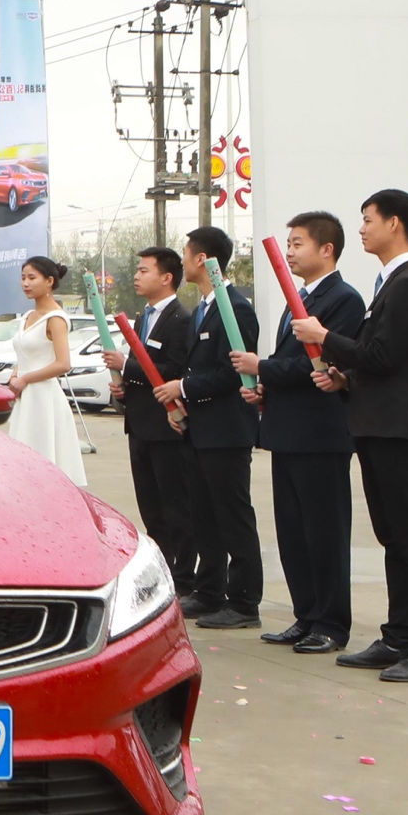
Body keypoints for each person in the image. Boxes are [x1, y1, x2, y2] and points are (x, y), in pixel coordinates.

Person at [292, 189, 408, 683]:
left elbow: (383, 356)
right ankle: (399, 636)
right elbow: (382, 362)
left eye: (368, 219)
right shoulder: (391, 283)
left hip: (399, 428)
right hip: (378, 424)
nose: (361, 229)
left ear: (394, 224)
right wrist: (345, 380)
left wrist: (324, 338)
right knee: (393, 537)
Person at [234, 211, 366, 654]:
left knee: (324, 532)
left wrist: (262, 367)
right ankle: (306, 615)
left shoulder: (343, 300)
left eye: (298, 244)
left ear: (326, 249)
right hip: (287, 431)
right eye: (288, 244)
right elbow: (292, 365)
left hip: (320, 435)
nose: (289, 252)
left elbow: (323, 367)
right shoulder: (300, 298)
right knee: (294, 532)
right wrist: (265, 388)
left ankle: (331, 623)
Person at [161, 226, 262, 628]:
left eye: (186, 253)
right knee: (203, 515)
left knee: (232, 516)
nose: (182, 260)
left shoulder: (235, 308)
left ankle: (244, 602)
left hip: (226, 431)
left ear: (202, 259)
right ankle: (209, 591)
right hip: (198, 429)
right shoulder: (202, 308)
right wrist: (182, 403)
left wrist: (183, 387)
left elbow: (232, 372)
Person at [119, 246, 197, 594]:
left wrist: (126, 366)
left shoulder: (181, 319)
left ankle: (184, 576)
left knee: (175, 507)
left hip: (166, 427)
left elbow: (172, 369)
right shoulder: (143, 318)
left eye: (144, 270)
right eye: (137, 270)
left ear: (166, 278)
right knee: (151, 508)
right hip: (138, 425)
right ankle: (162, 572)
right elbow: (142, 371)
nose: (137, 276)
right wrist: (123, 387)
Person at [0, 256, 86, 484]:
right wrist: (16, 372)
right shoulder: (27, 317)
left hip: (44, 397)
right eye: (23, 278)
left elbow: (63, 363)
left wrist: (26, 378)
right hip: (25, 396)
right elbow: (26, 354)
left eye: (32, 278)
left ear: (49, 281)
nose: (25, 283)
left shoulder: (55, 318)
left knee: (44, 455)